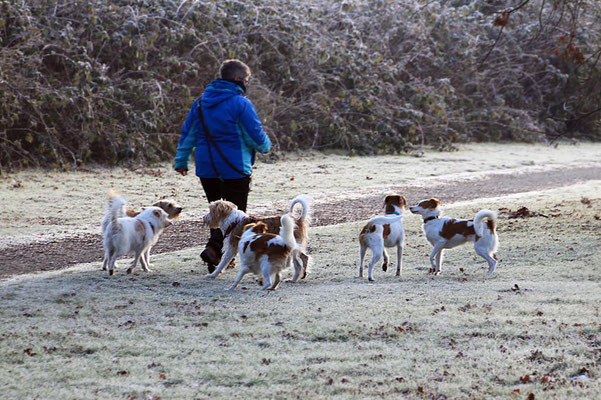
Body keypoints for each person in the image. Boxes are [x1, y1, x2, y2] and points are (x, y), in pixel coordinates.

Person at [174, 59, 271, 272]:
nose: (246, 83)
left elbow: (188, 134)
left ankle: (216, 254)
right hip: (235, 168)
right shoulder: (241, 103)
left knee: (218, 216)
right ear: (237, 79)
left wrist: (181, 160)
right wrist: (265, 146)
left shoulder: (200, 102)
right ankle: (217, 249)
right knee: (236, 219)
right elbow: (254, 133)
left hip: (207, 168)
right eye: (246, 80)